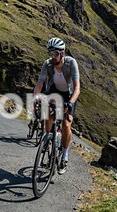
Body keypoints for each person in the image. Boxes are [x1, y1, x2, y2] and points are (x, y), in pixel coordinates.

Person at [32, 37, 81, 174]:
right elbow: (39, 84)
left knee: (66, 124)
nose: (52, 57)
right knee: (48, 117)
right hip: (53, 93)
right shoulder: (47, 64)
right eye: (50, 53)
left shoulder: (71, 63)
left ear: (62, 53)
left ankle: (64, 156)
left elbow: (77, 88)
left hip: (69, 95)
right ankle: (48, 138)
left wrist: (70, 103)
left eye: (55, 53)